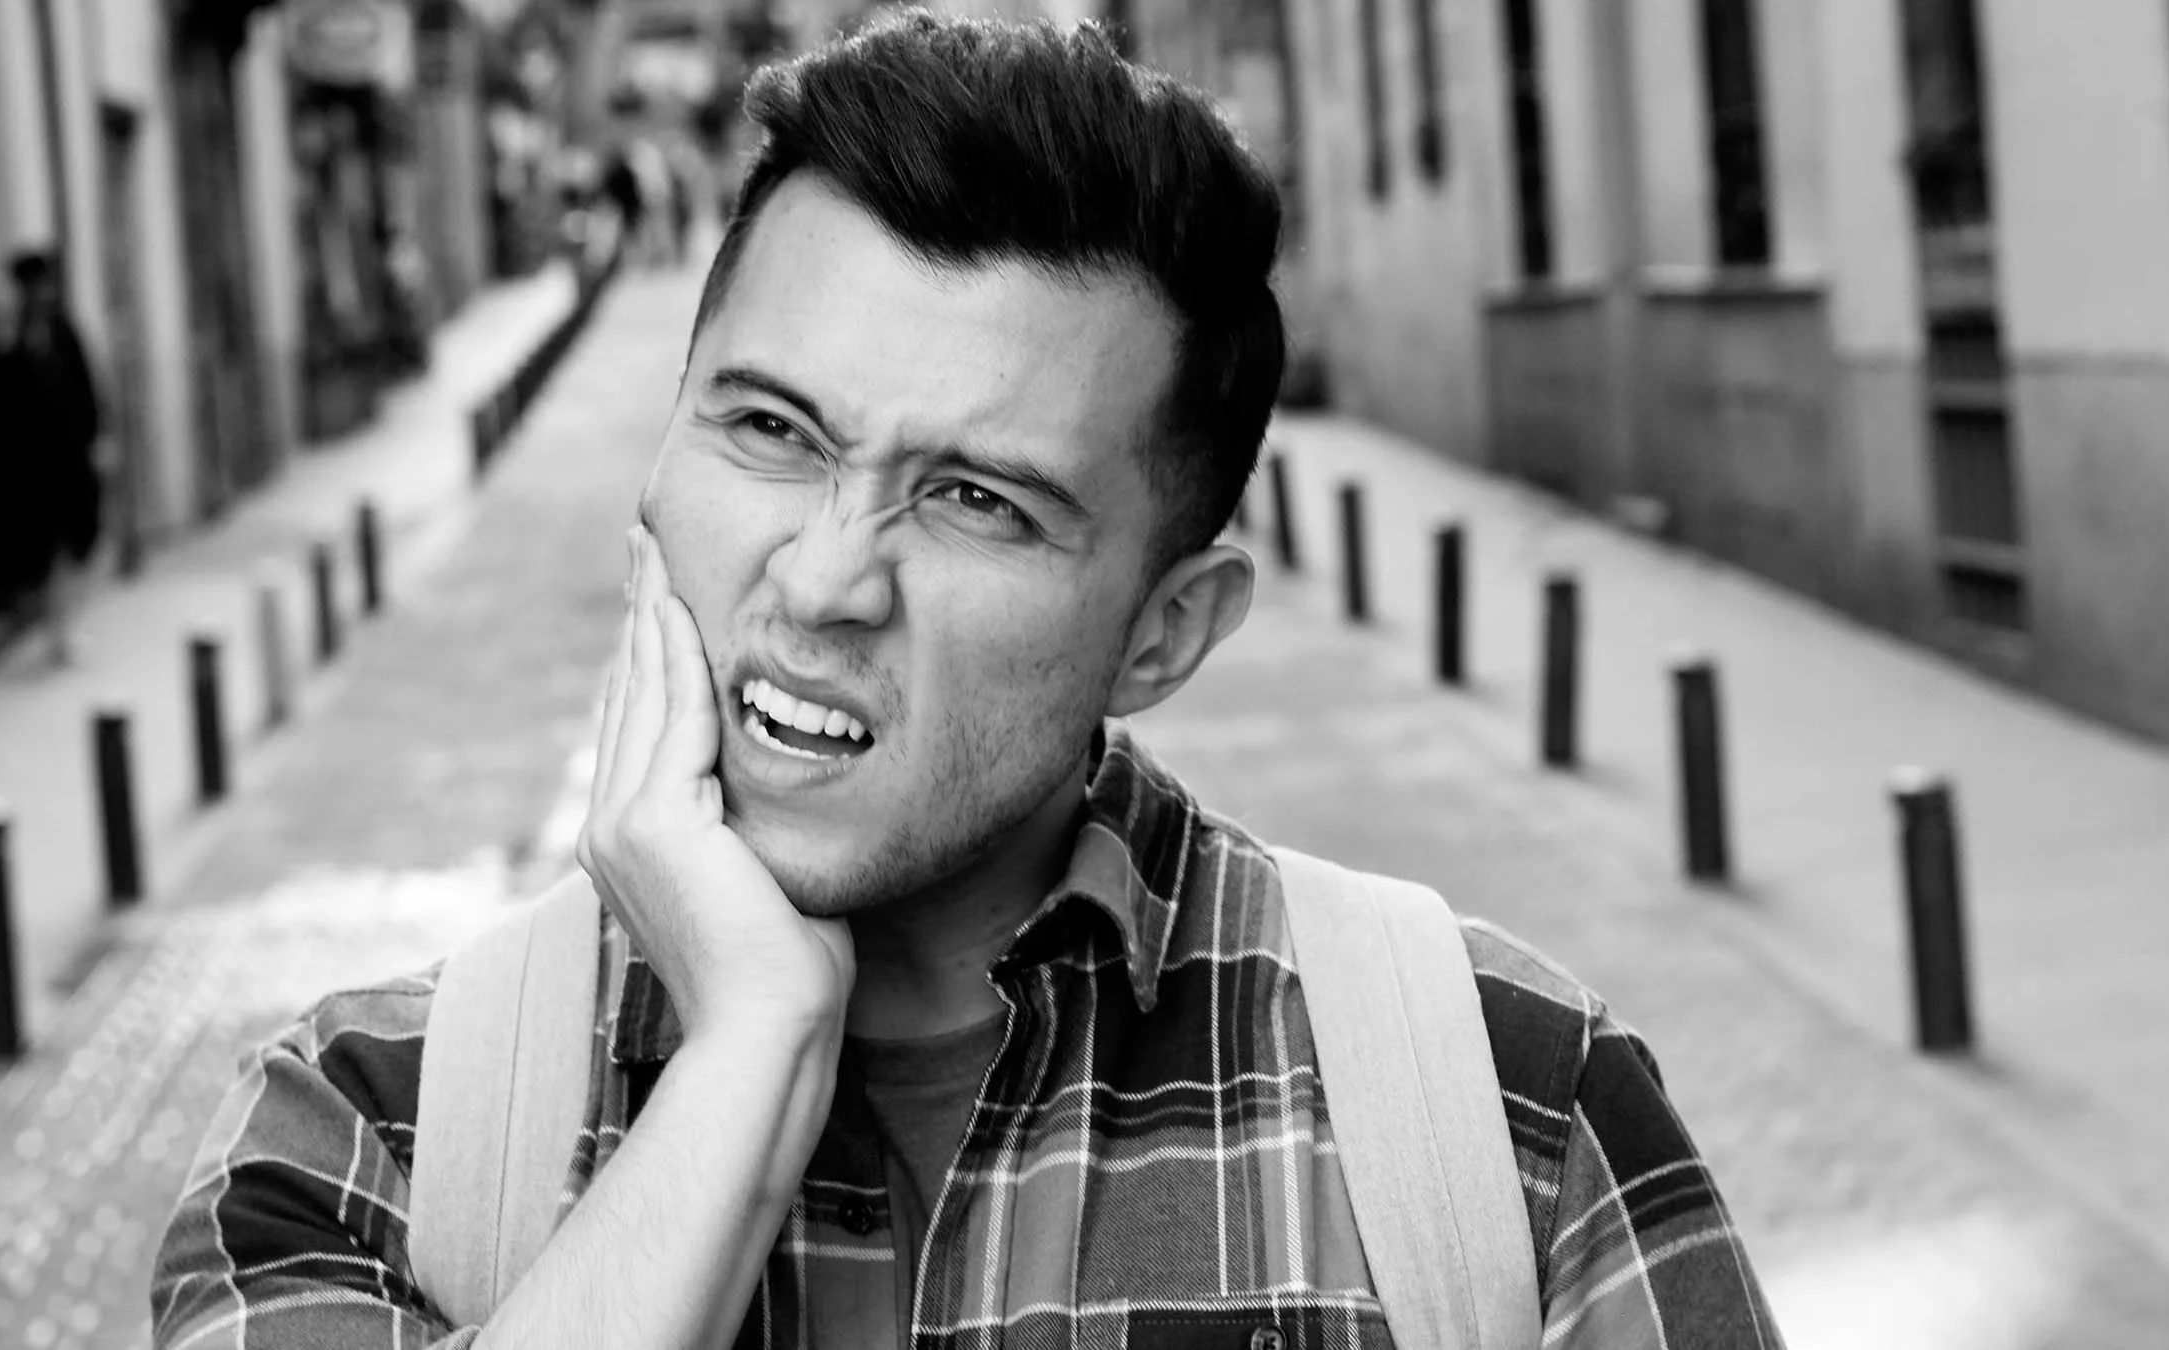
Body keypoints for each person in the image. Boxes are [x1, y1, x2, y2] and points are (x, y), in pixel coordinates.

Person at [151, 14, 1782, 1348]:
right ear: (660, 449)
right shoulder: (367, 1136)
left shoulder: (1512, 1121)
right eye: (770, 431)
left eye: (978, 500)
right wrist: (747, 1060)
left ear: (1166, 633)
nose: (825, 581)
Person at [0, 248, 102, 665]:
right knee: (35, 553)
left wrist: (95, 443)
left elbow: (85, 391)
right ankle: (47, 627)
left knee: (71, 547)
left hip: (66, 464)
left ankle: (63, 629)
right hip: (26, 470)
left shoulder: (62, 331)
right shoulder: (2, 334)